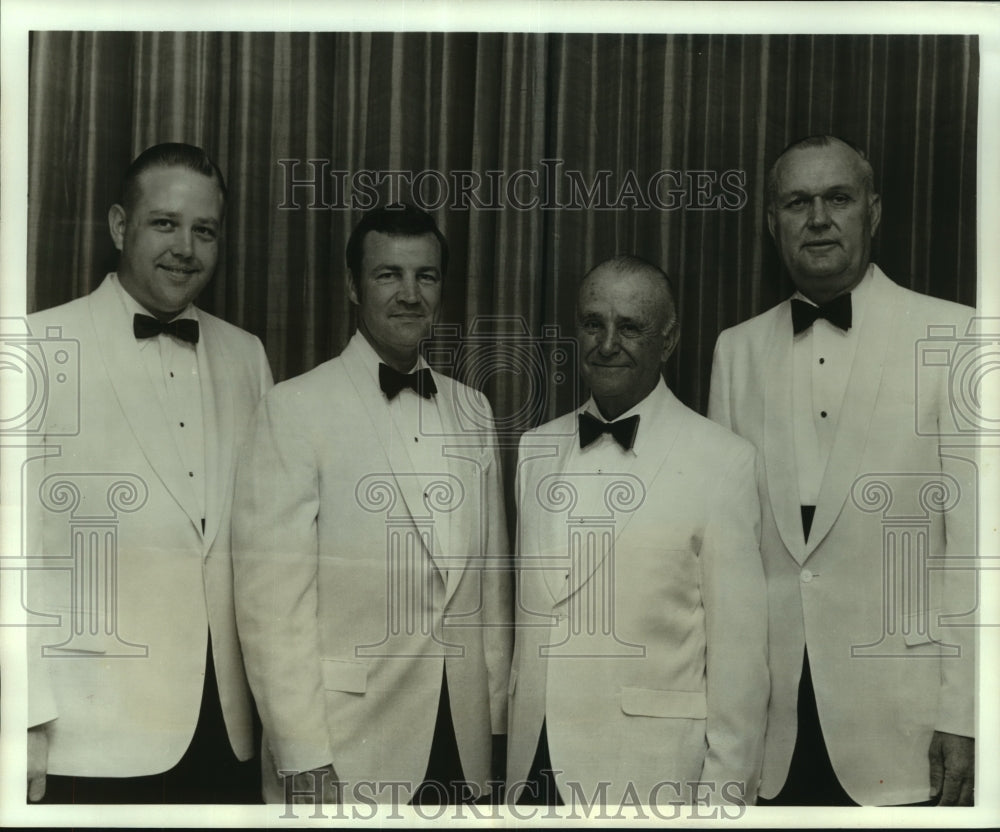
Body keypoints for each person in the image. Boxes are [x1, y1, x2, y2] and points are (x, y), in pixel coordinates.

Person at [708, 135, 976, 806]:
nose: (819, 217)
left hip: (905, 730)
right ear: (773, 222)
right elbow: (725, 559)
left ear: (874, 212)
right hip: (771, 731)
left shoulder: (960, 337)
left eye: (839, 198)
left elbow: (978, 550)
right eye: (798, 202)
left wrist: (967, 714)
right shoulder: (734, 352)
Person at [232, 203, 511, 806]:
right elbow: (271, 608)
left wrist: (495, 724)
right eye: (389, 275)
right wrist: (304, 756)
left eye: (426, 276)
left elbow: (489, 588)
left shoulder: (473, 410)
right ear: (354, 286)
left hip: (462, 746)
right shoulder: (294, 409)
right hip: (344, 748)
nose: (410, 294)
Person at [25, 142, 273, 803]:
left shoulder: (247, 356)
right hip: (87, 738)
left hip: (228, 732)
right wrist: (20, 721)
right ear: (117, 227)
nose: (186, 248)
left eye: (205, 230)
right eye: (165, 223)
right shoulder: (34, 349)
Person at [506, 255, 769, 808]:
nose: (606, 343)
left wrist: (721, 808)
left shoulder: (724, 461)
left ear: (668, 340)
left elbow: (739, 667)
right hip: (533, 764)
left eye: (629, 327)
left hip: (649, 774)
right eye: (592, 323)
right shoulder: (535, 449)